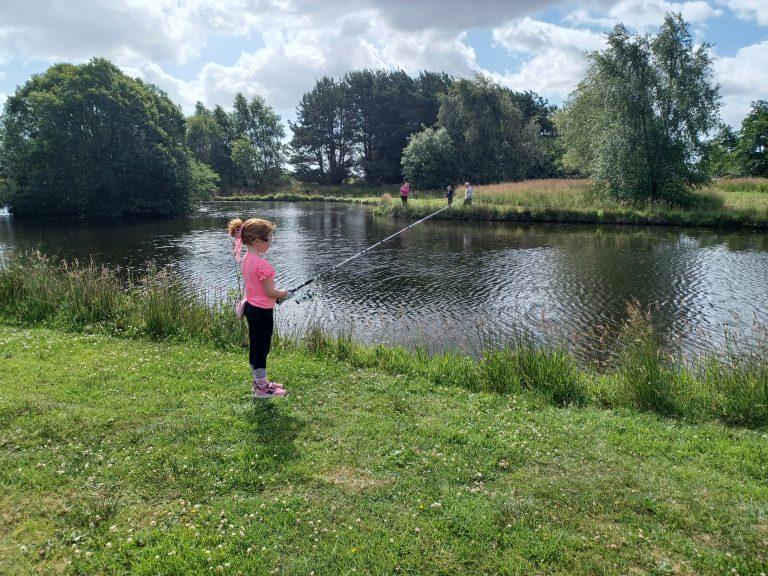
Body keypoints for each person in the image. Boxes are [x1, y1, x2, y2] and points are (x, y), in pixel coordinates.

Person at [228, 217, 290, 399]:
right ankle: (262, 389)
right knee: (262, 348)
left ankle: (259, 382)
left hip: (251, 308)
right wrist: (284, 293)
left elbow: (260, 290)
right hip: (262, 312)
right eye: (268, 240)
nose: (270, 243)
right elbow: (271, 292)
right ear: (256, 241)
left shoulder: (247, 259)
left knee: (256, 346)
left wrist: (277, 295)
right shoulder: (263, 265)